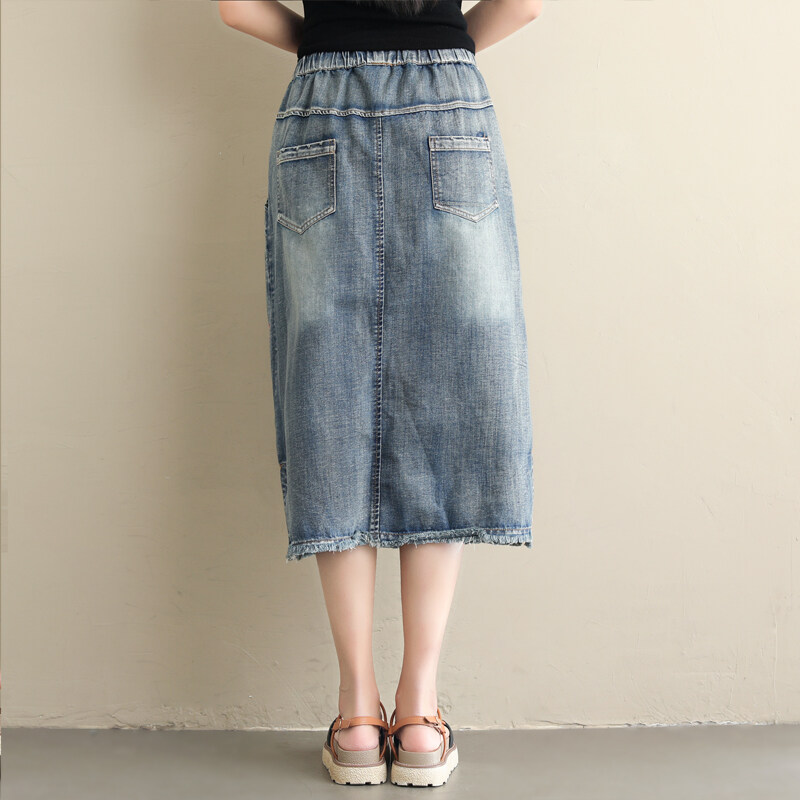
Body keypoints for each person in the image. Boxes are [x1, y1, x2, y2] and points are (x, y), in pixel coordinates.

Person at [218, 0, 543, 787]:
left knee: (328, 392)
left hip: (322, 102)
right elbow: (527, 1)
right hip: (448, 100)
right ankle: (420, 714)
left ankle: (357, 714)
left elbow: (235, 6)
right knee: (451, 395)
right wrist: (443, 41)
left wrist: (324, 40)